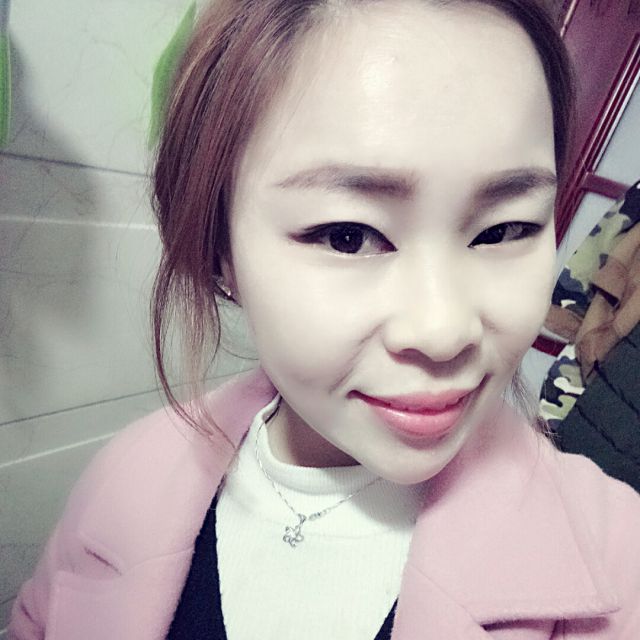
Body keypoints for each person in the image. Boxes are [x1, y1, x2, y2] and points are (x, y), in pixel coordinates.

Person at [9, 1, 640, 638]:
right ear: (221, 251)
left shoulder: (621, 561)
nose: (443, 332)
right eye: (348, 236)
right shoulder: (125, 480)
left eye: (504, 230)